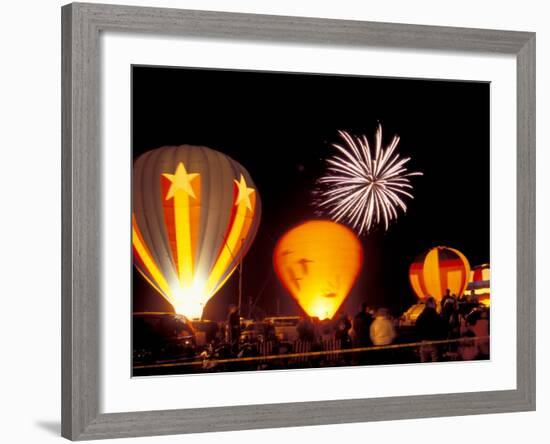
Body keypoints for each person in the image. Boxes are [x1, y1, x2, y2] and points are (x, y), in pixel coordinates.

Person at [415, 297, 446, 362]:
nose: (436, 305)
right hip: (433, 342)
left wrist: (419, 340)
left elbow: (417, 327)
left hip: (423, 343)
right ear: (430, 303)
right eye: (434, 303)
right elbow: (442, 327)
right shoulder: (435, 315)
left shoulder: (421, 316)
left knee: (424, 361)